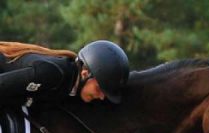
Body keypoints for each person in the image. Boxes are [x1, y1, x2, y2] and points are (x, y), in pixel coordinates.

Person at [0, 40, 129, 108]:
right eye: (99, 89)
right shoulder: (52, 74)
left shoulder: (70, 84)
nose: (101, 97)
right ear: (85, 74)